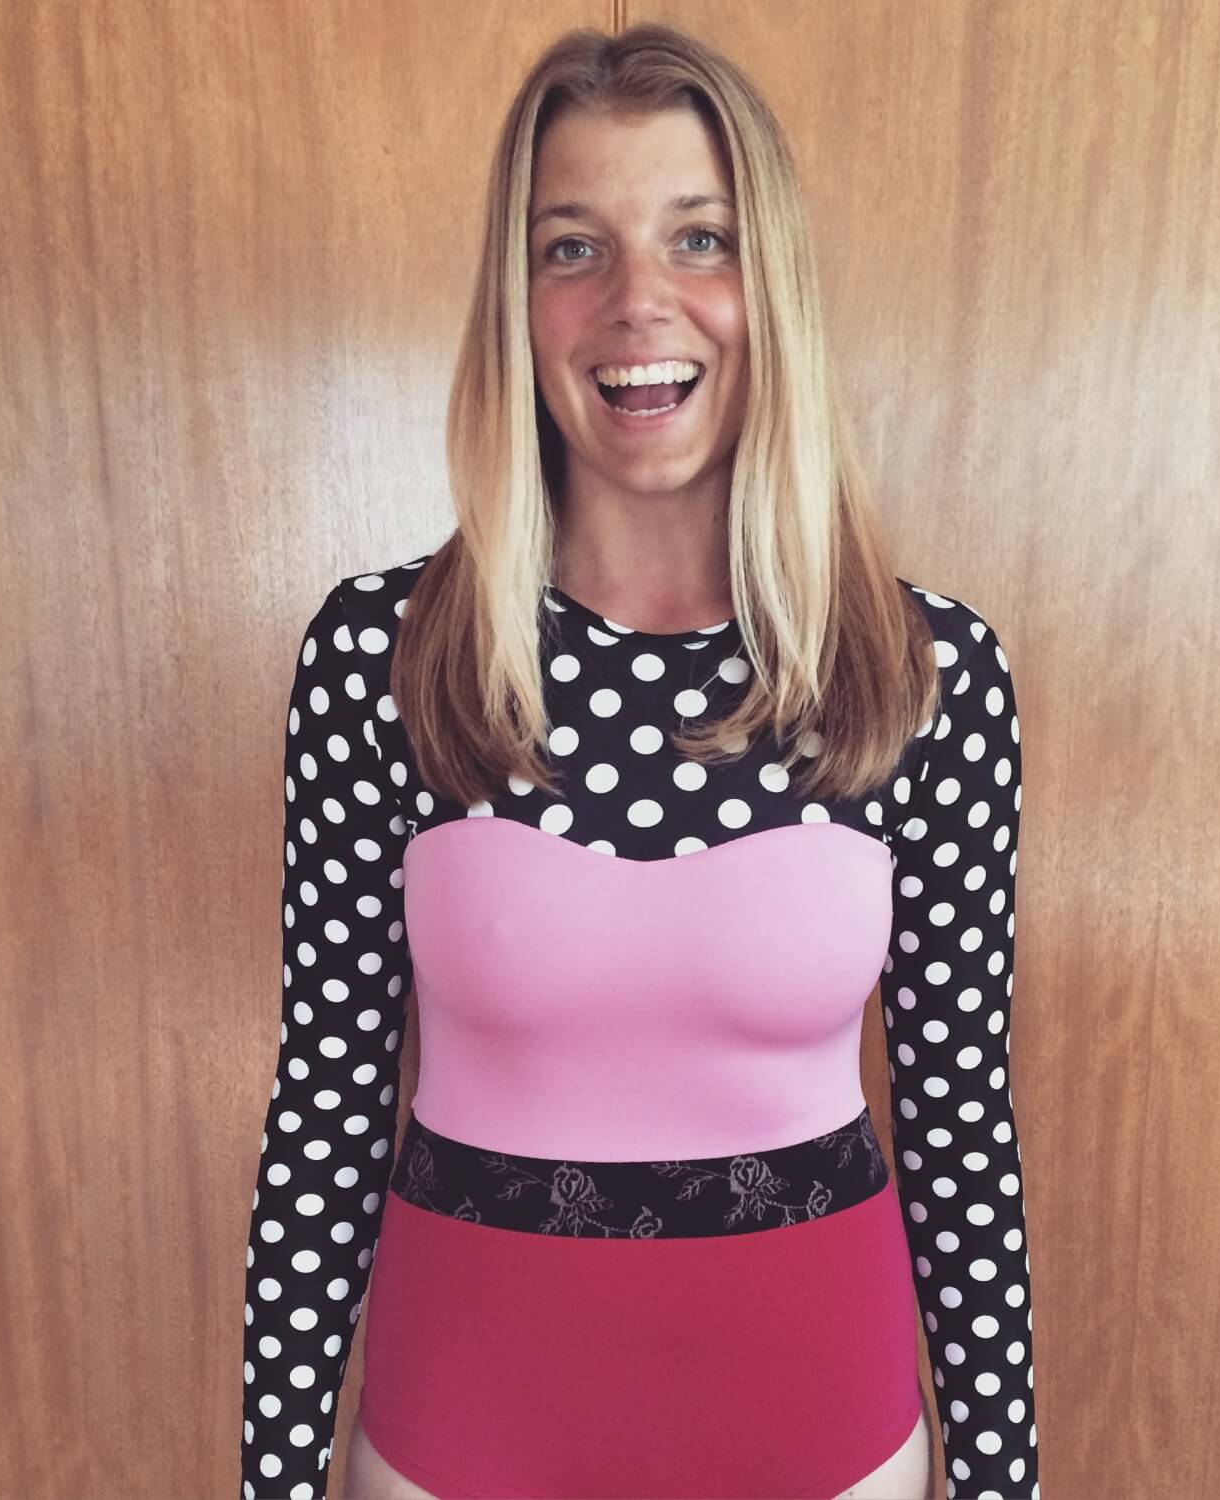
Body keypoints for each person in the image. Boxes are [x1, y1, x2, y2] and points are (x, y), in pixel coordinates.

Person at [239, 22, 1039, 1500]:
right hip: (462, 1436)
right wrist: (273, 1481)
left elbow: (959, 1126)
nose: (637, 302)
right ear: (517, 300)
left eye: (699, 238)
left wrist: (1001, 1481)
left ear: (769, 281)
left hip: (825, 1436)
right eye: (573, 248)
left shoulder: (921, 672)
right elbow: (328, 1110)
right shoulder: (383, 659)